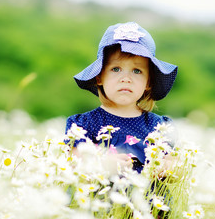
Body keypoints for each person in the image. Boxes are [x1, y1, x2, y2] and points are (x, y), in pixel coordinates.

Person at [65, 22, 178, 173]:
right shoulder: (84, 125)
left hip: (145, 196)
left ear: (148, 82)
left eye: (137, 71)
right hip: (99, 195)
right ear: (99, 77)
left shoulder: (158, 127)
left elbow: (174, 166)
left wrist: (168, 169)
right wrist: (101, 164)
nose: (126, 78)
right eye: (116, 69)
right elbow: (72, 162)